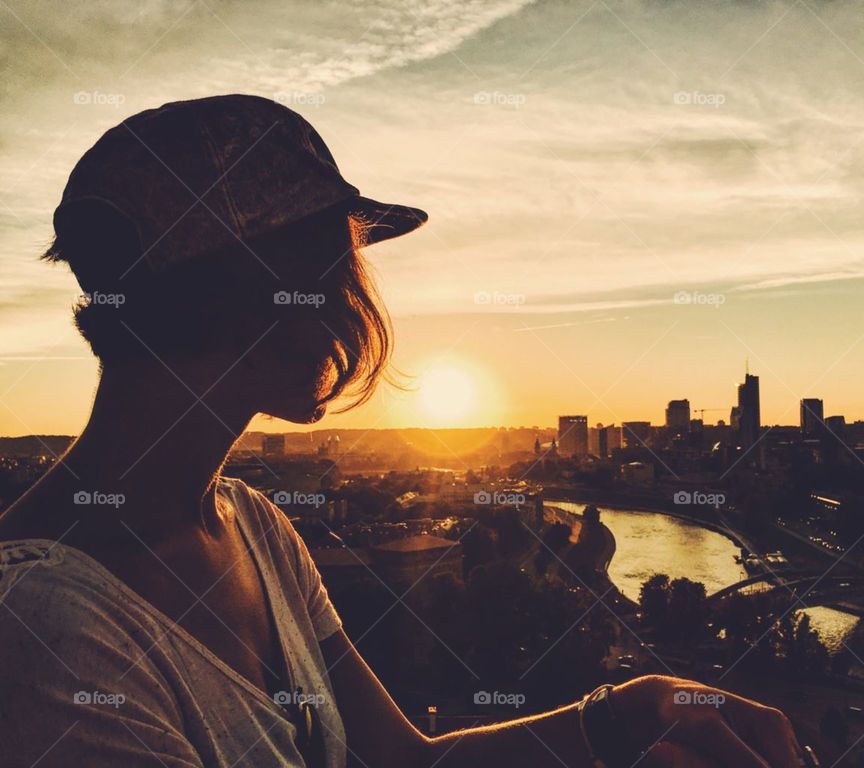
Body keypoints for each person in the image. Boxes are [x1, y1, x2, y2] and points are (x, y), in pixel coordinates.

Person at [0, 95, 807, 768]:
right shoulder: (38, 631)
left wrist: (618, 715)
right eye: (338, 265)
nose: (355, 303)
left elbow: (403, 761)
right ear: (250, 291)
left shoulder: (253, 526)